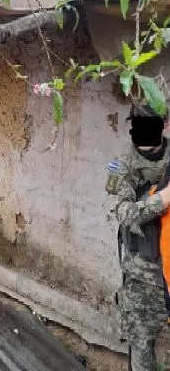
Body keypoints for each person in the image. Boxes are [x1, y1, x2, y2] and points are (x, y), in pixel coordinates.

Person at [107, 102, 170, 371]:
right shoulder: (124, 166)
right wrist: (162, 201)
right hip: (141, 281)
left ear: (164, 125)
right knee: (142, 353)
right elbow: (124, 213)